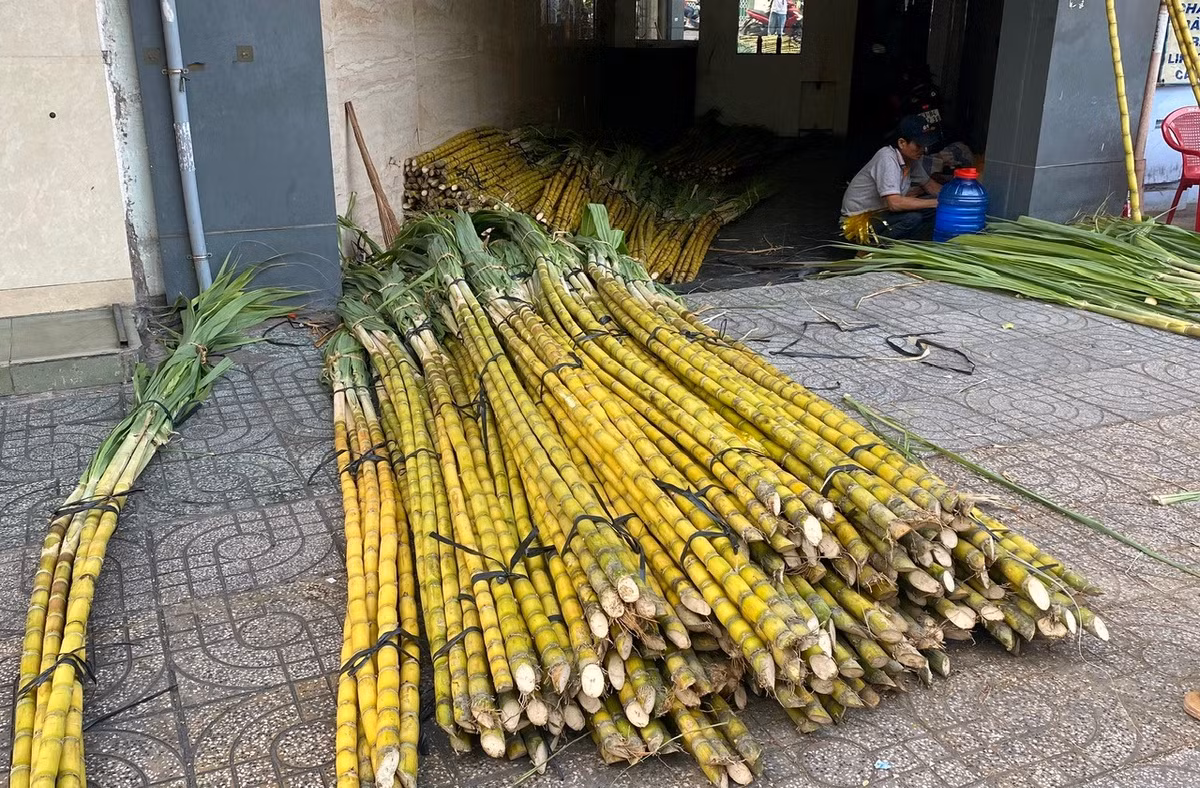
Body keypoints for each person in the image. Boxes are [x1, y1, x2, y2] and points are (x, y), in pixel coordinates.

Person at [841, 114, 942, 243]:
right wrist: (936, 202)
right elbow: (894, 204)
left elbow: (930, 186)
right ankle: (871, 250)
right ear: (901, 143)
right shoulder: (887, 158)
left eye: (924, 146)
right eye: (918, 145)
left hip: (883, 213)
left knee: (932, 209)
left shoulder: (912, 159)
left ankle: (902, 244)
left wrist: (956, 199)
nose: (923, 150)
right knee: (912, 218)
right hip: (859, 222)